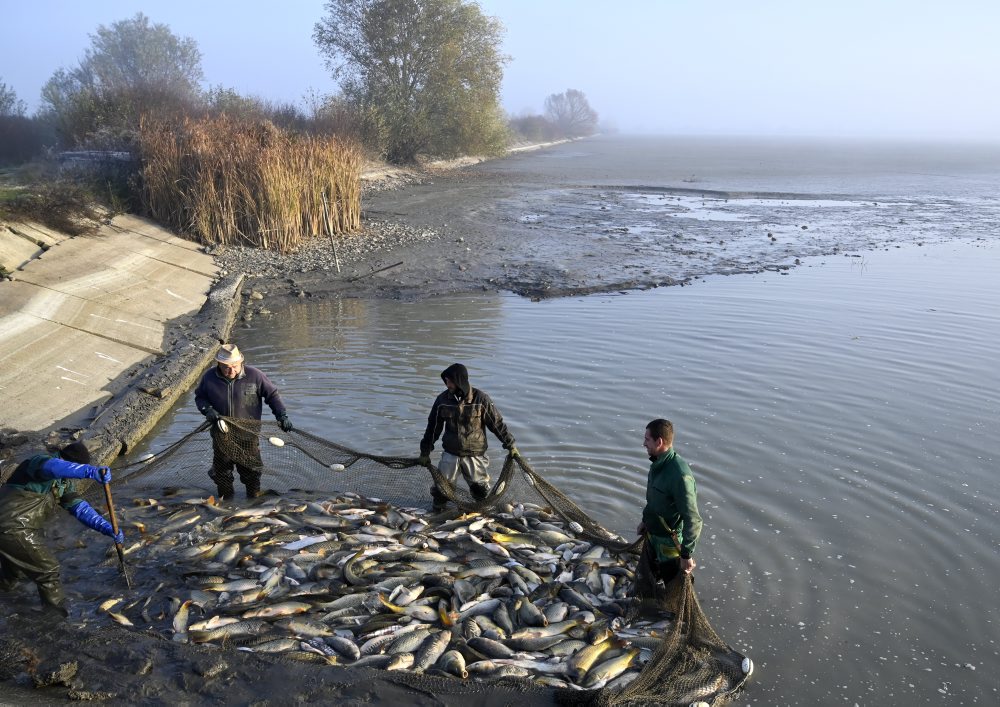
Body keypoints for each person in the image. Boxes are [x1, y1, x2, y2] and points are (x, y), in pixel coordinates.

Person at [0, 441, 123, 617]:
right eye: (78, 467)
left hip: (12, 529)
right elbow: (52, 468)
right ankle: (55, 620)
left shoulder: (63, 485)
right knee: (48, 571)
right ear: (71, 463)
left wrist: (107, 528)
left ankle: (6, 604)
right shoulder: (40, 462)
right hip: (12, 528)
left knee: (12, 573)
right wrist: (88, 472)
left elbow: (80, 509)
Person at [194, 343, 292, 500]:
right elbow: (200, 397)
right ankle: (226, 501)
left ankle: (253, 500)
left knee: (252, 474)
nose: (231, 371)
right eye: (226, 367)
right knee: (223, 474)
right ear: (218, 364)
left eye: (235, 366)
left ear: (241, 362)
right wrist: (207, 410)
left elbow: (272, 395)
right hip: (221, 435)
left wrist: (282, 415)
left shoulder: (255, 376)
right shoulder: (209, 378)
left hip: (248, 435)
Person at [418, 363, 519, 510]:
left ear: (460, 381)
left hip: (475, 454)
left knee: (480, 490)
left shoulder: (481, 399)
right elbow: (433, 428)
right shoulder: (442, 400)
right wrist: (425, 452)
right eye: (446, 381)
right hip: (450, 454)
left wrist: (510, 445)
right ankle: (438, 512)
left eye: (450, 381)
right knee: (442, 490)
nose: (447, 384)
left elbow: (497, 424)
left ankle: (481, 513)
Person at [636, 418, 703, 587]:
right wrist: (645, 521)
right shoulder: (657, 464)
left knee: (673, 587)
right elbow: (653, 500)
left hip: (670, 545)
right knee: (648, 580)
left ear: (659, 442)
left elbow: (693, 520)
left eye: (647, 439)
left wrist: (686, 555)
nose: (644, 443)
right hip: (652, 536)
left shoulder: (680, 476)